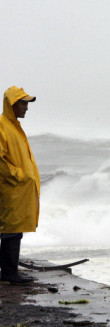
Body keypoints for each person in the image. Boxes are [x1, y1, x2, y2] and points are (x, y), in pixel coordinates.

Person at [0, 86, 40, 284]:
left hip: (17, 189)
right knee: (11, 229)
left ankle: (9, 271)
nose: (26, 107)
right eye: (23, 103)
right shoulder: (2, 125)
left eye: (26, 103)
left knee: (14, 229)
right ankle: (9, 273)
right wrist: (20, 176)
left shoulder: (14, 126)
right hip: (10, 189)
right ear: (12, 105)